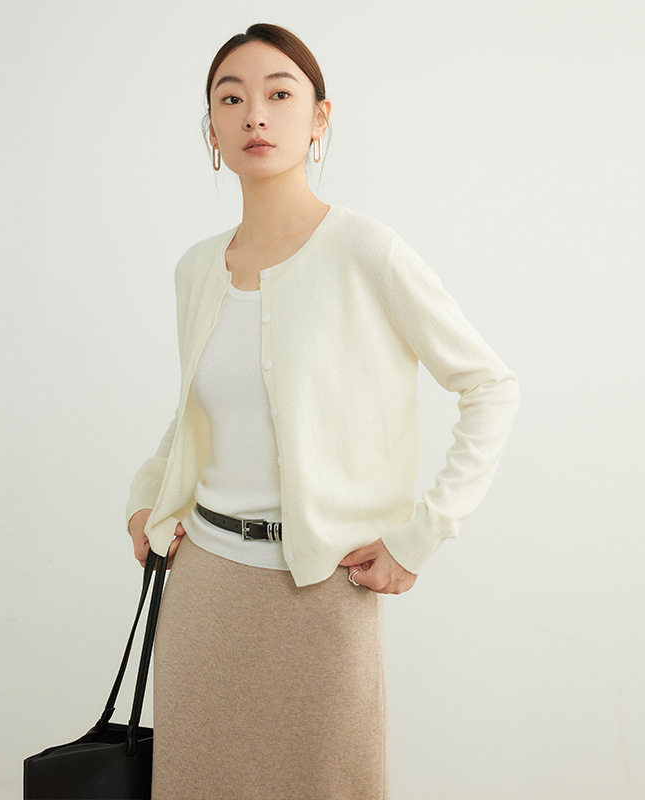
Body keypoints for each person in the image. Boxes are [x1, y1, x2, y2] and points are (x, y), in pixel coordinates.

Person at [125, 22, 520, 800]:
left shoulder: (367, 251)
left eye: (279, 94)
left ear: (319, 119)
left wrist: (420, 536)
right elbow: (198, 413)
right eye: (231, 99)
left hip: (321, 594)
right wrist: (146, 495)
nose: (255, 115)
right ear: (211, 132)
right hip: (203, 593)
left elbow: (490, 386)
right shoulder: (196, 269)